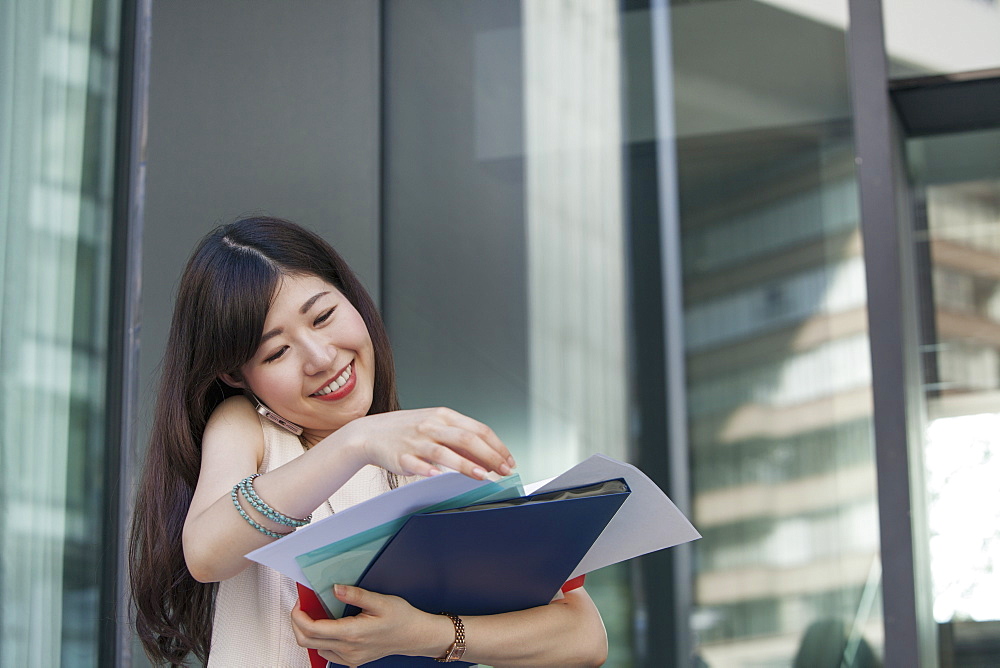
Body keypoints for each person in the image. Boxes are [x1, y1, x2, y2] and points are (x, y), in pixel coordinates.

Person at [129, 216, 609, 667]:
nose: (319, 357)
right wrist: (354, 441)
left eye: (322, 317)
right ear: (235, 374)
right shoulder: (249, 427)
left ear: (351, 298)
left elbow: (585, 637)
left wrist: (430, 634)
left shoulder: (433, 456)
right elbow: (206, 554)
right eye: (276, 351)